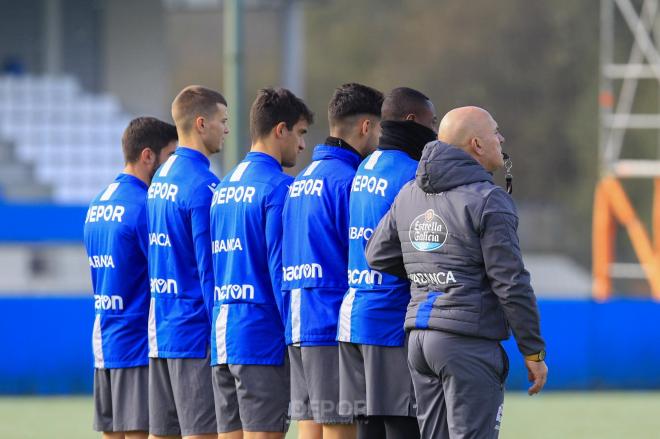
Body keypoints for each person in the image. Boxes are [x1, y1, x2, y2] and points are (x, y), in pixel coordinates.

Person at [365, 106, 548, 439]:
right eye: (495, 132)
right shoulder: (489, 199)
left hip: (419, 340)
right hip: (467, 341)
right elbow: (511, 284)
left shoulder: (409, 193)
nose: (501, 139)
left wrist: (430, 274)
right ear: (476, 144)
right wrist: (532, 350)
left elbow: (376, 254)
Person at [209, 87, 314, 439]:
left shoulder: (222, 188)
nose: (302, 146)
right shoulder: (279, 188)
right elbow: (280, 269)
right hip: (261, 341)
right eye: (300, 134)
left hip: (223, 339)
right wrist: (296, 341)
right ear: (280, 130)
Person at [282, 83, 384, 439]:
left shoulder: (300, 180)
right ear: (367, 127)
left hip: (298, 324)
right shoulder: (352, 181)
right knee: (341, 430)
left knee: (311, 429)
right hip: (329, 324)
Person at [336, 87, 438, 439]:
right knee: (402, 426)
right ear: (412, 120)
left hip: (353, 318)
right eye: (432, 122)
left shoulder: (364, 167)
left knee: (367, 428)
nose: (435, 130)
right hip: (388, 319)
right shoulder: (413, 173)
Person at [84, 117, 178, 439]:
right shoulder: (144, 206)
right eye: (169, 157)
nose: (169, 170)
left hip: (105, 341)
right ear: (148, 156)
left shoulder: (97, 203)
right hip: (138, 343)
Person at [147, 85, 229, 439]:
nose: (226, 128)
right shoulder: (203, 185)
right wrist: (219, 336)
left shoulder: (159, 180)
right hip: (195, 334)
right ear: (201, 123)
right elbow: (208, 270)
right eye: (222, 121)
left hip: (162, 331)